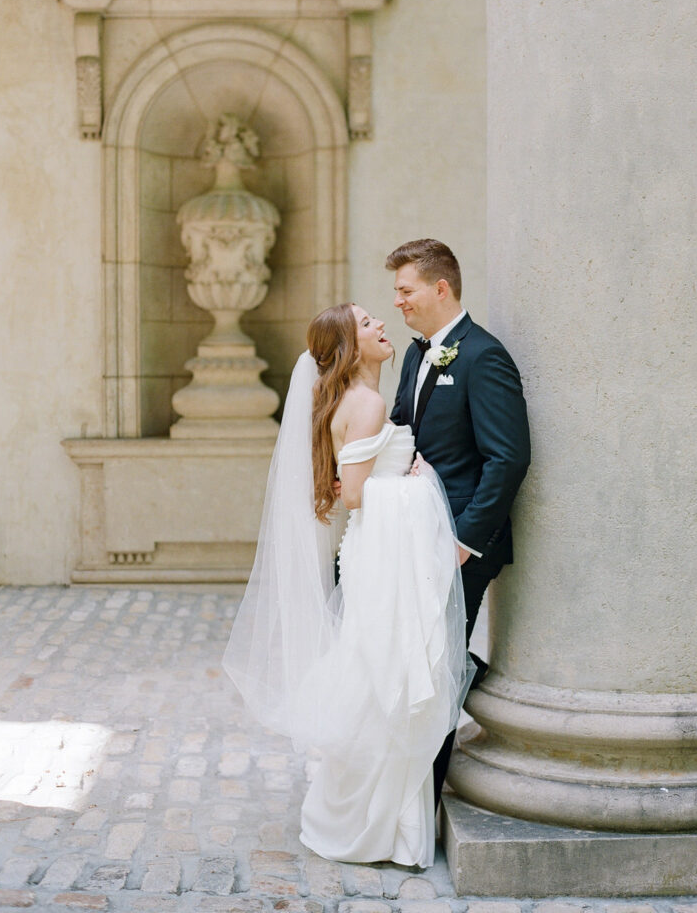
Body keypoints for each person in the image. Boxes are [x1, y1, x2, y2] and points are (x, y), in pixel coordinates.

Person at [223, 302, 472, 869]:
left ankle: (368, 817)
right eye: (366, 323)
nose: (381, 324)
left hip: (374, 553)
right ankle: (373, 826)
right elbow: (355, 494)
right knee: (386, 670)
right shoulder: (367, 403)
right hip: (382, 556)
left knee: (379, 666)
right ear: (350, 347)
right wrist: (420, 482)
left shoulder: (351, 401)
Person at [386, 239, 531, 807]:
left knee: (441, 666)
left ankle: (422, 799)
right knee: (409, 663)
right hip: (412, 537)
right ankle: (400, 786)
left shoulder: (482, 355)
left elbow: (508, 458)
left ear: (440, 287)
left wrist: (467, 541)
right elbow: (404, 429)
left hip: (458, 546)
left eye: (406, 290)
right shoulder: (416, 353)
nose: (398, 301)